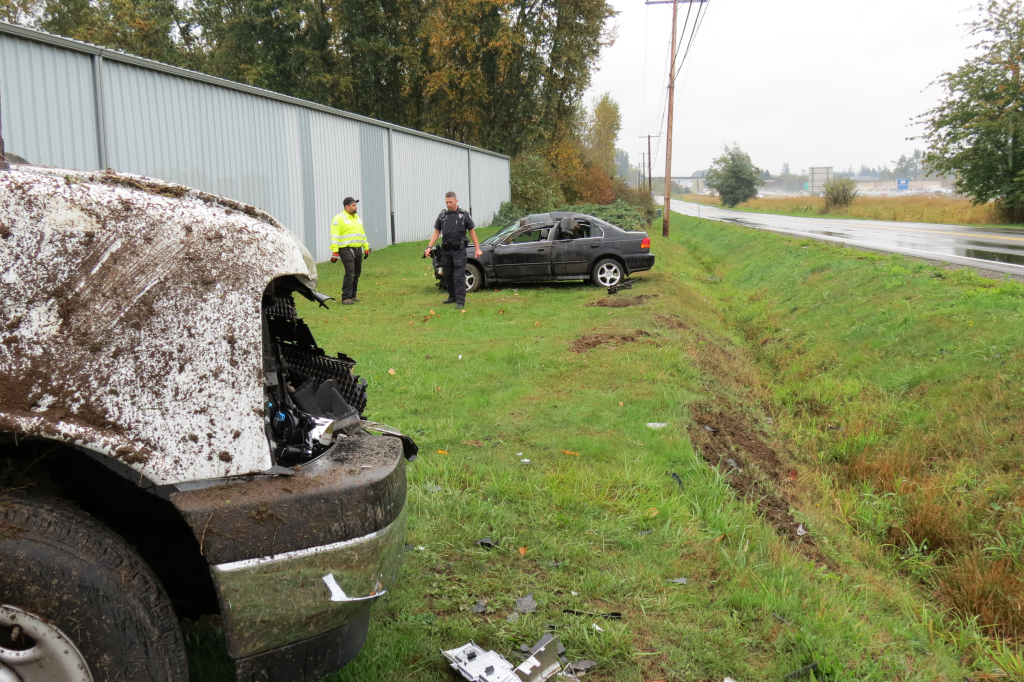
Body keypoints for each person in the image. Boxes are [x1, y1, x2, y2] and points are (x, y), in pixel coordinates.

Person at [424, 191, 482, 309]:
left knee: (459, 276)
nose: (448, 204)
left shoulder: (464, 215)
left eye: (450, 202)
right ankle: (452, 296)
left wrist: (477, 248)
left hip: (458, 250)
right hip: (446, 250)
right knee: (447, 274)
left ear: (456, 201)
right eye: (447, 202)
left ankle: (460, 301)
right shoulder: (442, 215)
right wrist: (429, 247)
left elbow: (472, 231)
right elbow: (436, 232)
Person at [330, 197, 370, 305]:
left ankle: (353, 295)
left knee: (357, 273)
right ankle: (346, 298)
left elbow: (362, 234)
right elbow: (335, 236)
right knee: (350, 272)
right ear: (347, 206)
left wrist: (366, 247)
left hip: (357, 249)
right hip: (345, 249)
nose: (355, 207)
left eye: (355, 205)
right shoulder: (339, 218)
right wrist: (335, 251)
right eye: (353, 205)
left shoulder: (356, 218)